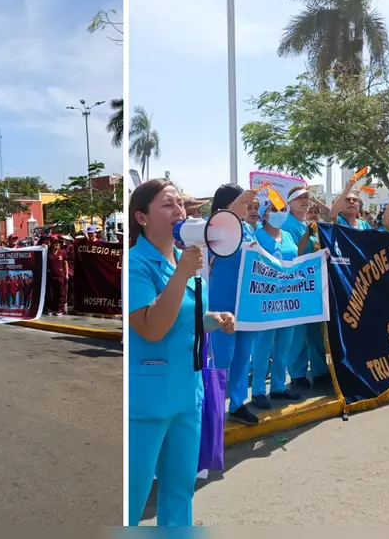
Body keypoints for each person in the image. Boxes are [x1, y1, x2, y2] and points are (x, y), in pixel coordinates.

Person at [127, 178, 236, 527]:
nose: (178, 211)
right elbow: (152, 327)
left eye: (179, 204)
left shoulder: (183, 259)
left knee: (179, 492)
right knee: (132, 498)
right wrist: (182, 274)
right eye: (167, 204)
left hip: (188, 395)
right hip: (149, 399)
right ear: (141, 217)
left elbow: (182, 318)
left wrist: (212, 320)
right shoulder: (135, 265)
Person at [209, 183, 261, 425]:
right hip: (222, 299)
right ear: (228, 205)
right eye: (243, 201)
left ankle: (238, 403)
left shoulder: (248, 229)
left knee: (243, 354)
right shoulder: (215, 228)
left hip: (246, 300)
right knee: (222, 356)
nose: (248, 206)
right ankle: (214, 406)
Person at [250, 202, 303, 409]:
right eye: (273, 209)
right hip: (266, 299)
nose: (279, 213)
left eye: (282, 209)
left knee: (284, 343)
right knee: (263, 344)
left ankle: (279, 387)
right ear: (264, 214)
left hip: (287, 298)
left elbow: (297, 262)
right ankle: (258, 391)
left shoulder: (288, 236)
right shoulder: (257, 236)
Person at [281, 186, 329, 390]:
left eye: (306, 198)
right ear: (290, 203)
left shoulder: (310, 224)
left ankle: (319, 371)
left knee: (316, 331)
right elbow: (294, 254)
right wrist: (307, 234)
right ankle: (297, 374)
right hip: (296, 284)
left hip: (314, 283)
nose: (304, 201)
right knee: (298, 333)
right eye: (299, 198)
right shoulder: (285, 225)